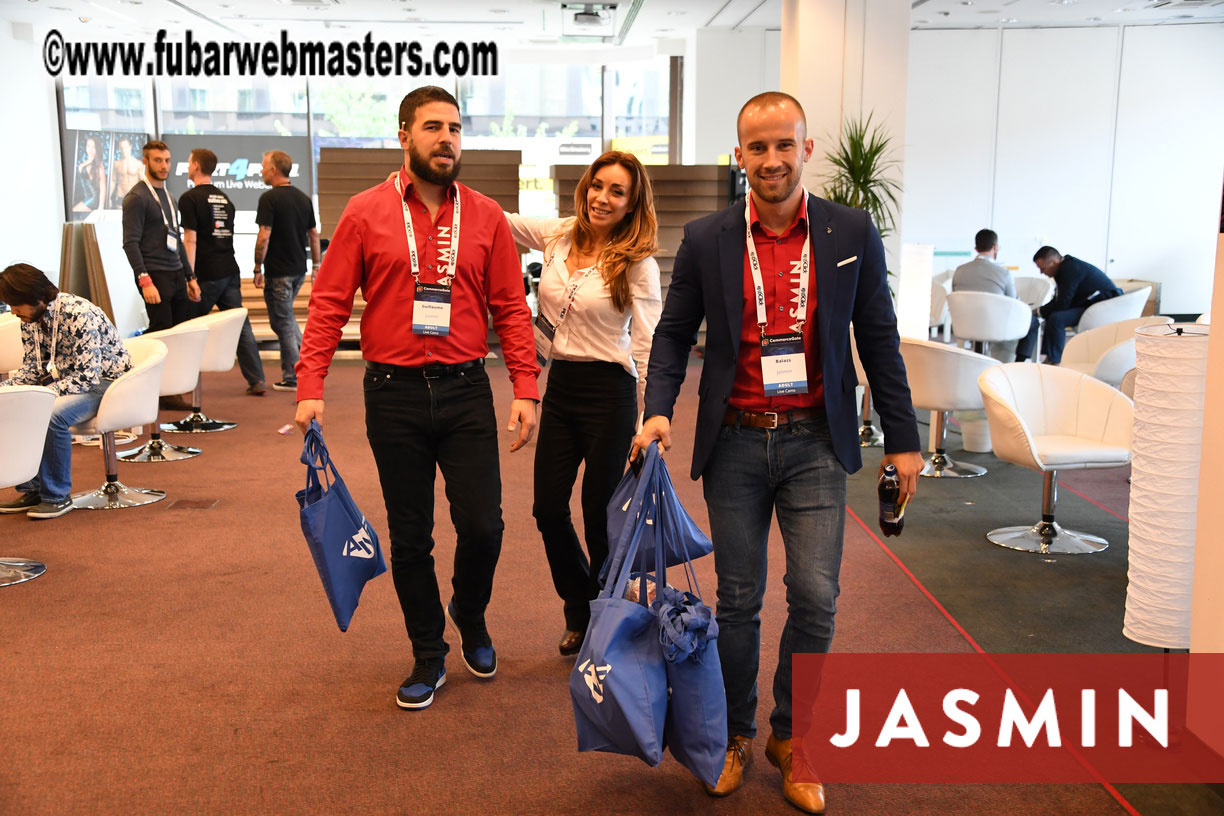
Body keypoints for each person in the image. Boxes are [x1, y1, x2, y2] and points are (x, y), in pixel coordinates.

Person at [631, 92, 923, 814]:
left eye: (783, 145)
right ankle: (735, 732)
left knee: (816, 597)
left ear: (806, 148)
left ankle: (794, 738)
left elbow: (877, 337)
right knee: (738, 599)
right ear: (740, 155)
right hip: (734, 441)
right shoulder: (707, 238)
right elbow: (672, 334)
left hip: (815, 441)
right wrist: (657, 407)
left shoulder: (850, 230)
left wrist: (904, 439)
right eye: (757, 147)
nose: (771, 160)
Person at [293, 86, 539, 711]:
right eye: (433, 127)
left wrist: (526, 386)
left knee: (484, 525)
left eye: (455, 128)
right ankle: (428, 651)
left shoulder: (486, 215)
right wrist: (311, 386)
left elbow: (511, 308)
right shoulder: (364, 212)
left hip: (466, 389)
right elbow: (328, 305)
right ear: (404, 135)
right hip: (392, 393)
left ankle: (469, 611)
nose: (446, 138)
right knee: (411, 536)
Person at [502, 151, 662, 657]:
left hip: (610, 393)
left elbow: (647, 347)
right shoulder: (559, 234)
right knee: (547, 508)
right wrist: (438, 190)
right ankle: (581, 603)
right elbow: (500, 220)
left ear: (632, 204)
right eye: (597, 185)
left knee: (598, 512)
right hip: (563, 387)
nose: (602, 198)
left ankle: (603, 617)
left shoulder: (637, 263)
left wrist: (648, 418)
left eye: (617, 191)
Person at [0, 264, 131, 520]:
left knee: (51, 414)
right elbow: (32, 368)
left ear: (37, 297)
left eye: (16, 304)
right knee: (16, 404)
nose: (13, 311)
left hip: (106, 383)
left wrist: (42, 395)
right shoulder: (30, 320)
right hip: (66, 382)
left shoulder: (79, 314)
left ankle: (57, 496)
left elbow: (88, 376)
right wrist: (7, 391)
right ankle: (32, 489)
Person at [179, 148, 267, 396]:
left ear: (196, 166)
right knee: (240, 325)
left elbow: (190, 240)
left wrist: (189, 276)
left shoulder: (189, 199)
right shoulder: (225, 199)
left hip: (206, 274)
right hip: (229, 270)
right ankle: (257, 379)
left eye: (189, 162)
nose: (188, 167)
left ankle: (181, 382)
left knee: (186, 326)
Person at [254, 150, 320, 392]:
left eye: (263, 166)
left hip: (279, 272)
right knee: (284, 320)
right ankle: (305, 367)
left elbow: (264, 236)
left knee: (283, 322)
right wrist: (316, 265)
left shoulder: (269, 199)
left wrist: (257, 266)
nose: (261, 170)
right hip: (298, 270)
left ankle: (295, 376)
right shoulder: (303, 199)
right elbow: (314, 235)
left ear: (274, 170)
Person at [122, 140, 201, 333]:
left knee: (182, 330)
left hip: (177, 273)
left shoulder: (170, 197)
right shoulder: (137, 198)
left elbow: (177, 240)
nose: (164, 166)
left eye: (167, 160)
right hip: (154, 273)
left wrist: (190, 277)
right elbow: (130, 243)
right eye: (158, 160)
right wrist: (144, 280)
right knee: (162, 330)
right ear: (145, 162)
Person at [1016, 246, 1121, 364]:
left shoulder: (1070, 269)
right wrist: (1040, 311)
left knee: (1057, 319)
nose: (1041, 272)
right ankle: (1051, 358)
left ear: (1054, 262)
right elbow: (1060, 300)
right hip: (1091, 304)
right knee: (1053, 316)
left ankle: (1055, 361)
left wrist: (1038, 311)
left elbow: (1063, 303)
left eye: (1043, 268)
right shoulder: (1066, 267)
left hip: (1103, 307)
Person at [951, 229, 1015, 298]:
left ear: (976, 249)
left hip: (964, 305)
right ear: (995, 247)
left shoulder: (959, 271)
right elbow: (1014, 302)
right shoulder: (1004, 273)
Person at [72, 135, 106, 214]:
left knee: (74, 211)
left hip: (93, 199)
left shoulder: (99, 166)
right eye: (88, 146)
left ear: (97, 149)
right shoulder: (84, 163)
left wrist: (101, 207)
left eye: (93, 147)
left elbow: (103, 187)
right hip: (85, 197)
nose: (90, 149)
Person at [110, 137, 143, 208]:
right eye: (121, 148)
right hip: (121, 196)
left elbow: (144, 182)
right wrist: (109, 197)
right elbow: (113, 181)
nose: (123, 150)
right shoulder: (116, 164)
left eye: (125, 147)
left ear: (130, 147)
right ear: (119, 149)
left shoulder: (138, 163)